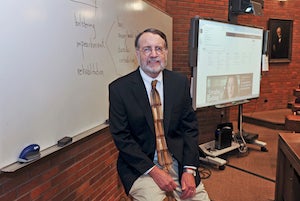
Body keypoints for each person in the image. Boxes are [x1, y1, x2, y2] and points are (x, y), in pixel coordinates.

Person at [109, 28, 210, 201]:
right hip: (141, 166)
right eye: (147, 49)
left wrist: (189, 170)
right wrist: (155, 172)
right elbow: (122, 138)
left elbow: (190, 129)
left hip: (178, 162)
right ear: (137, 53)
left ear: (166, 52)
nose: (154, 54)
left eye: (159, 49)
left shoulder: (179, 83)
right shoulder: (119, 89)